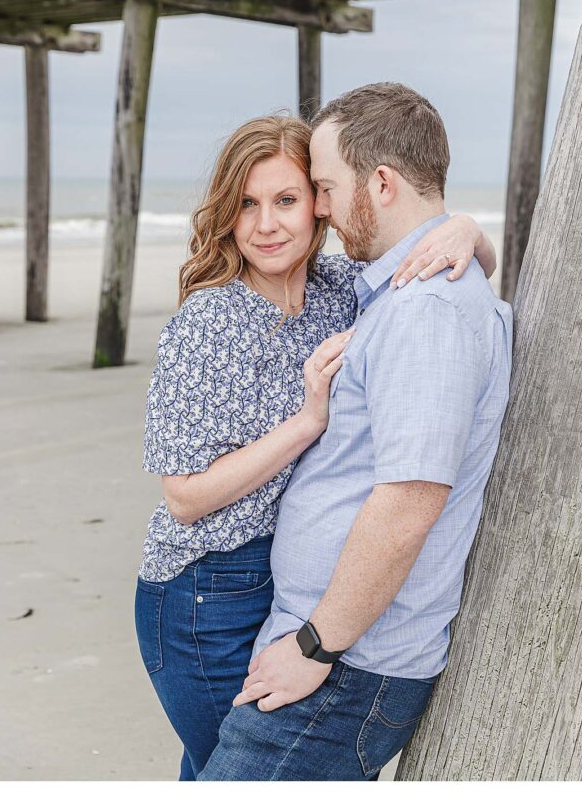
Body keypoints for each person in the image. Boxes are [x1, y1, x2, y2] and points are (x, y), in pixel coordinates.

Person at [134, 112, 496, 780]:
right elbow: (183, 498)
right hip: (206, 591)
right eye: (245, 204)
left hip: (278, 584)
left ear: (321, 207)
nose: (265, 224)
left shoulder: (339, 291)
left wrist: (468, 231)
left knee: (218, 765)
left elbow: (413, 256)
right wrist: (305, 422)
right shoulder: (210, 320)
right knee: (235, 764)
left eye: (288, 199)